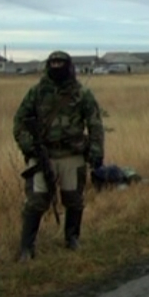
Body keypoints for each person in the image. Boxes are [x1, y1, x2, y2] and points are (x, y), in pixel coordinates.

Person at [12, 50, 105, 262]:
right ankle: (27, 248)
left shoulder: (81, 94)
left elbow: (95, 124)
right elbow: (20, 122)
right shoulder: (36, 93)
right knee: (36, 201)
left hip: (72, 154)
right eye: (53, 62)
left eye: (60, 62)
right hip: (43, 154)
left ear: (69, 65)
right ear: (47, 65)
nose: (56, 66)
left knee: (73, 200)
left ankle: (72, 239)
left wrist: (97, 152)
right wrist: (29, 147)